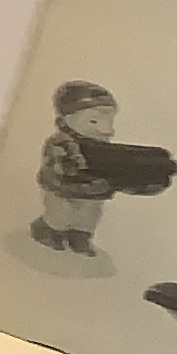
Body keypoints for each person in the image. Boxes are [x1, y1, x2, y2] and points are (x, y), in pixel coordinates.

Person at [31, 82, 130, 254]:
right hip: (62, 188)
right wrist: (78, 167)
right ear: (68, 119)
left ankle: (80, 237)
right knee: (61, 213)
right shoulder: (61, 144)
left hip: (93, 191)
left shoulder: (101, 146)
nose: (107, 130)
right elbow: (60, 168)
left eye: (109, 121)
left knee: (89, 216)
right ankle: (49, 230)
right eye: (93, 121)